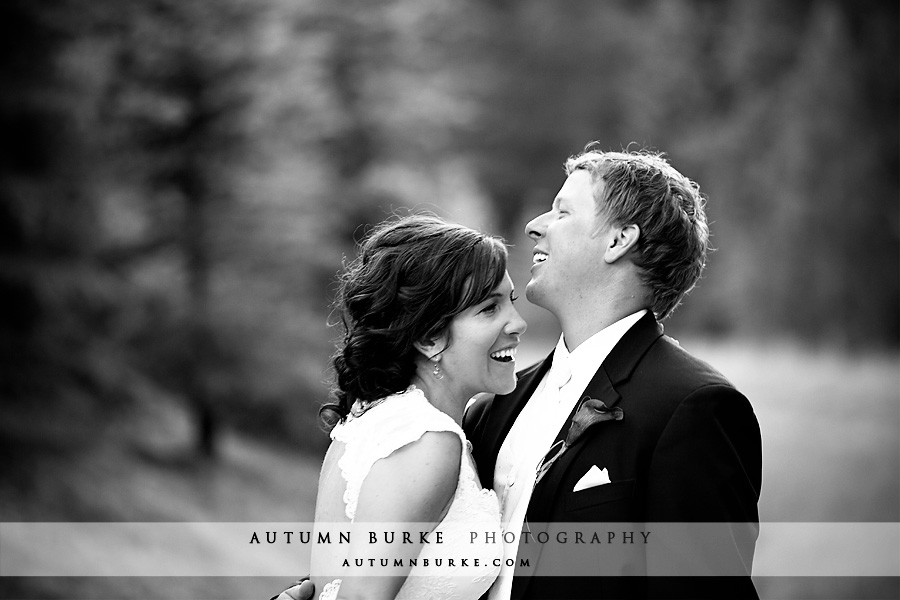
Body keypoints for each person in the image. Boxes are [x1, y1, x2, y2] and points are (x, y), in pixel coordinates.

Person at [277, 145, 762, 600]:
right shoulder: (494, 405)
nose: (534, 225)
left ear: (618, 240)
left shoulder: (692, 408)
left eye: (562, 210)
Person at [305, 214, 527, 600]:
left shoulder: (377, 420)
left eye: (511, 301)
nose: (518, 323)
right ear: (429, 337)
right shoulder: (425, 441)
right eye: (489, 309)